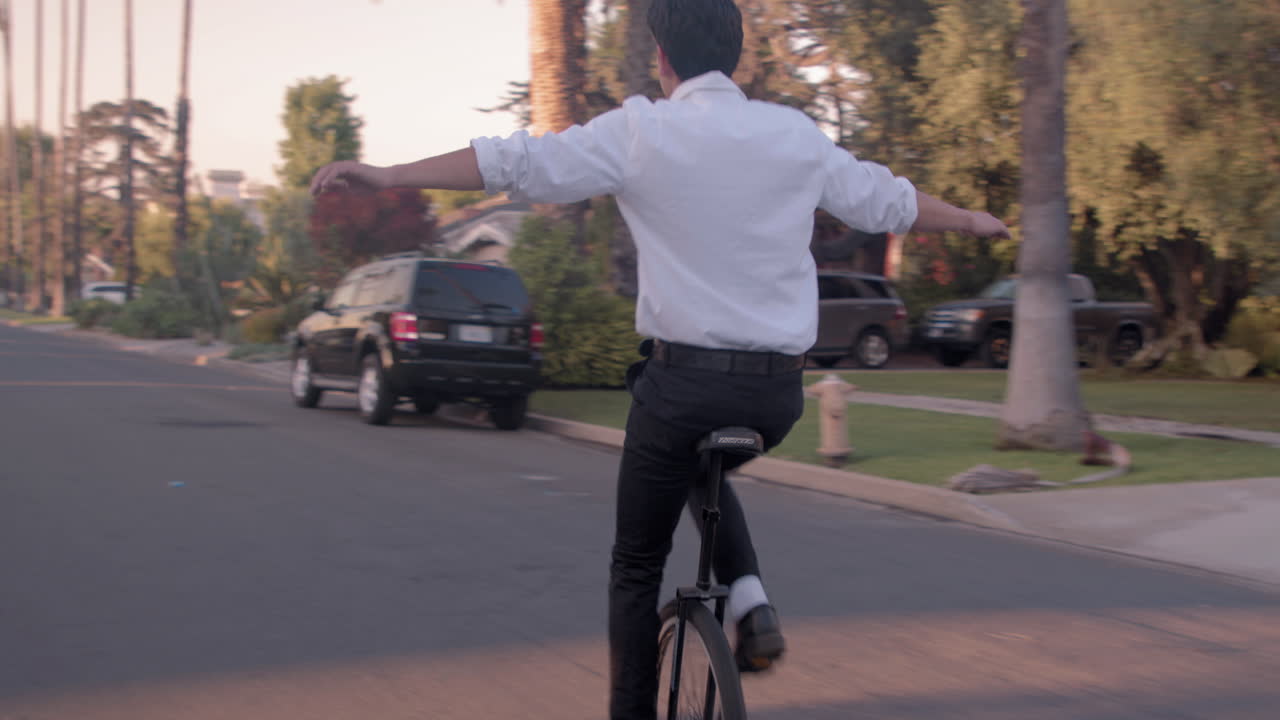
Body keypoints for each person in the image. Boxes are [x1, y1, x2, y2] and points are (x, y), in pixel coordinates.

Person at [311, 1, 1010, 717]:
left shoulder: (642, 129)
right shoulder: (793, 135)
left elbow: (514, 160)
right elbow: (886, 200)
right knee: (692, 465)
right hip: (776, 397)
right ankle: (750, 598)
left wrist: (388, 173)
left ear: (662, 58)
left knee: (637, 565)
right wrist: (972, 219)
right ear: (734, 56)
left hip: (680, 386)